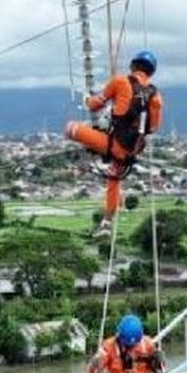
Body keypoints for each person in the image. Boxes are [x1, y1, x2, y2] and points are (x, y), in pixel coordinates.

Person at [64, 50, 163, 238]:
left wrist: (87, 100)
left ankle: (93, 149)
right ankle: (107, 222)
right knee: (114, 177)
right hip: (132, 149)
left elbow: (94, 105)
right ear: (150, 72)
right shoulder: (155, 96)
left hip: (114, 144)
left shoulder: (120, 82)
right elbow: (153, 127)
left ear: (133, 66)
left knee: (71, 129)